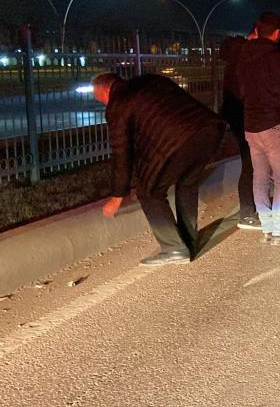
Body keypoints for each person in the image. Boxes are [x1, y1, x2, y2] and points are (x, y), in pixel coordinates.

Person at [94, 72, 226, 266]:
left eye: (101, 99)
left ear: (106, 89)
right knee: (187, 184)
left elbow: (121, 152)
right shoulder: (151, 80)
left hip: (178, 140)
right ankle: (189, 240)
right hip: (209, 130)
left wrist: (117, 196)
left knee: (149, 191)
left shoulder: (119, 103)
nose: (104, 104)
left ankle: (174, 247)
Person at [238, 12, 280, 245]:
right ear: (277, 33)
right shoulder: (275, 56)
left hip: (251, 125)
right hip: (274, 125)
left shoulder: (243, 55)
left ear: (257, 30)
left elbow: (241, 89)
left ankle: (267, 227)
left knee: (260, 178)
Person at [219, 34, 259, 231]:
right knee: (250, 164)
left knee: (250, 163)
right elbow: (245, 92)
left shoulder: (234, 60)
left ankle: (251, 209)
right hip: (243, 116)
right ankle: (248, 213)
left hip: (237, 115)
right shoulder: (243, 61)